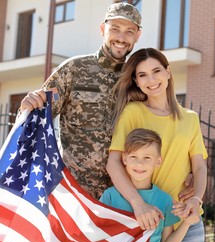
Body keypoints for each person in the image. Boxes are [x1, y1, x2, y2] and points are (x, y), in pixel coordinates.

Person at [18, 3, 193, 230]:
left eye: (129, 31)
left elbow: (164, 127)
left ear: (138, 35)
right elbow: (38, 116)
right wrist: (28, 107)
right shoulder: (73, 70)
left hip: (125, 198)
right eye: (115, 29)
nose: (121, 37)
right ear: (103, 29)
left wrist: (187, 171)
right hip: (77, 193)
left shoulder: (139, 78)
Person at [107, 48, 208, 242]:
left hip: (186, 221)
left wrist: (196, 198)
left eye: (156, 71)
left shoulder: (190, 118)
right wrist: (138, 204)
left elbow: (199, 167)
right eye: (142, 75)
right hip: (146, 218)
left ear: (168, 72)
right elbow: (114, 163)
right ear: (136, 81)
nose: (151, 80)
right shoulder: (132, 112)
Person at [100, 128, 198, 242]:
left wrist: (186, 223)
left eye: (147, 157)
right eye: (134, 156)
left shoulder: (164, 200)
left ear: (158, 161)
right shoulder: (110, 196)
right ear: (124, 159)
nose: (140, 163)